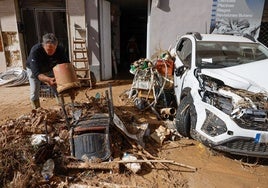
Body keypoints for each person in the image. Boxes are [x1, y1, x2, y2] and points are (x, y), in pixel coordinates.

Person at [26, 33, 70, 109]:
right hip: (34, 70)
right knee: (34, 91)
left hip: (50, 68)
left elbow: (66, 65)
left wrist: (69, 81)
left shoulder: (60, 50)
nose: (50, 52)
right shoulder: (35, 51)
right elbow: (37, 73)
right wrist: (48, 80)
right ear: (43, 46)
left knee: (58, 87)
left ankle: (62, 107)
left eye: (52, 50)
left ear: (56, 46)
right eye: (48, 50)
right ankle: (36, 110)